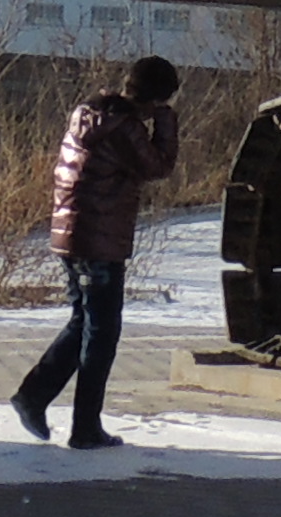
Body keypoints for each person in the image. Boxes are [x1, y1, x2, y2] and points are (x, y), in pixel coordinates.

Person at [11, 55, 180, 448]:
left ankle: (34, 398)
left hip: (73, 236)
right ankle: (83, 427)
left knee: (84, 324)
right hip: (97, 240)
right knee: (101, 333)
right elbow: (159, 165)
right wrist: (166, 124)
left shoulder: (91, 114)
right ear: (154, 98)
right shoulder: (123, 129)